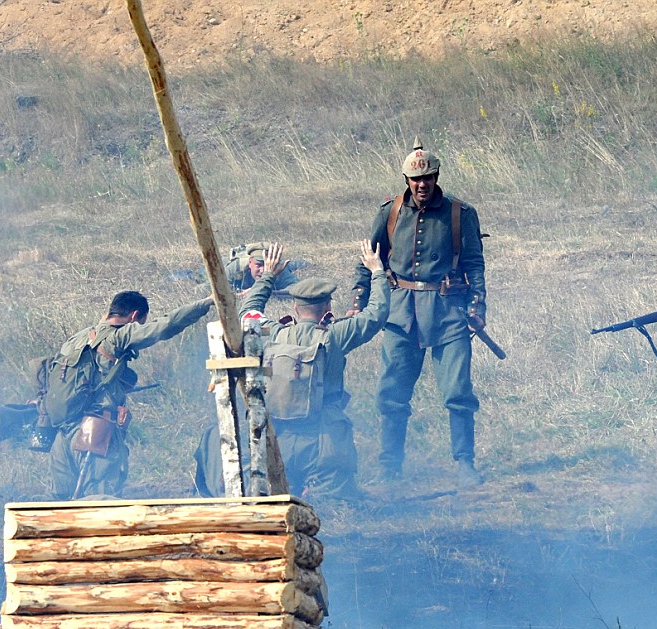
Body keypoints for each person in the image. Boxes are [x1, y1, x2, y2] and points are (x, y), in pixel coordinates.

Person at [195, 241, 390, 501]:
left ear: (295, 309)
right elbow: (377, 314)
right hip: (323, 443)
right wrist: (376, 271)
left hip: (277, 440)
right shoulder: (335, 336)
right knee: (333, 502)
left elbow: (247, 313)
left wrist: (267, 277)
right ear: (327, 309)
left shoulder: (272, 333)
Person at [349, 138, 487, 487]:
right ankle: (389, 466)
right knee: (391, 393)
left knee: (458, 392)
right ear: (406, 180)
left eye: (428, 179)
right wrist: (358, 301)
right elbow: (369, 260)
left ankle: (464, 463)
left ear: (437, 177)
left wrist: (477, 306)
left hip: (448, 314)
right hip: (399, 314)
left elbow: (474, 263)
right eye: (415, 180)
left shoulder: (461, 214)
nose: (422, 185)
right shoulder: (389, 211)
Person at [50, 290, 214, 500]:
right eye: (140, 322)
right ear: (134, 316)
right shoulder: (118, 336)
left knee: (58, 507)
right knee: (100, 504)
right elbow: (166, 325)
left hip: (61, 437)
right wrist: (207, 302)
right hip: (94, 434)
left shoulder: (76, 339)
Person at [226, 242, 301, 293]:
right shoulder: (236, 268)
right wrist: (238, 296)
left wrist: (270, 294)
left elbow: (295, 288)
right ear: (250, 262)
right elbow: (220, 292)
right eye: (258, 265)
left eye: (266, 265)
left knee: (297, 264)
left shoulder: (278, 269)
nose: (262, 270)